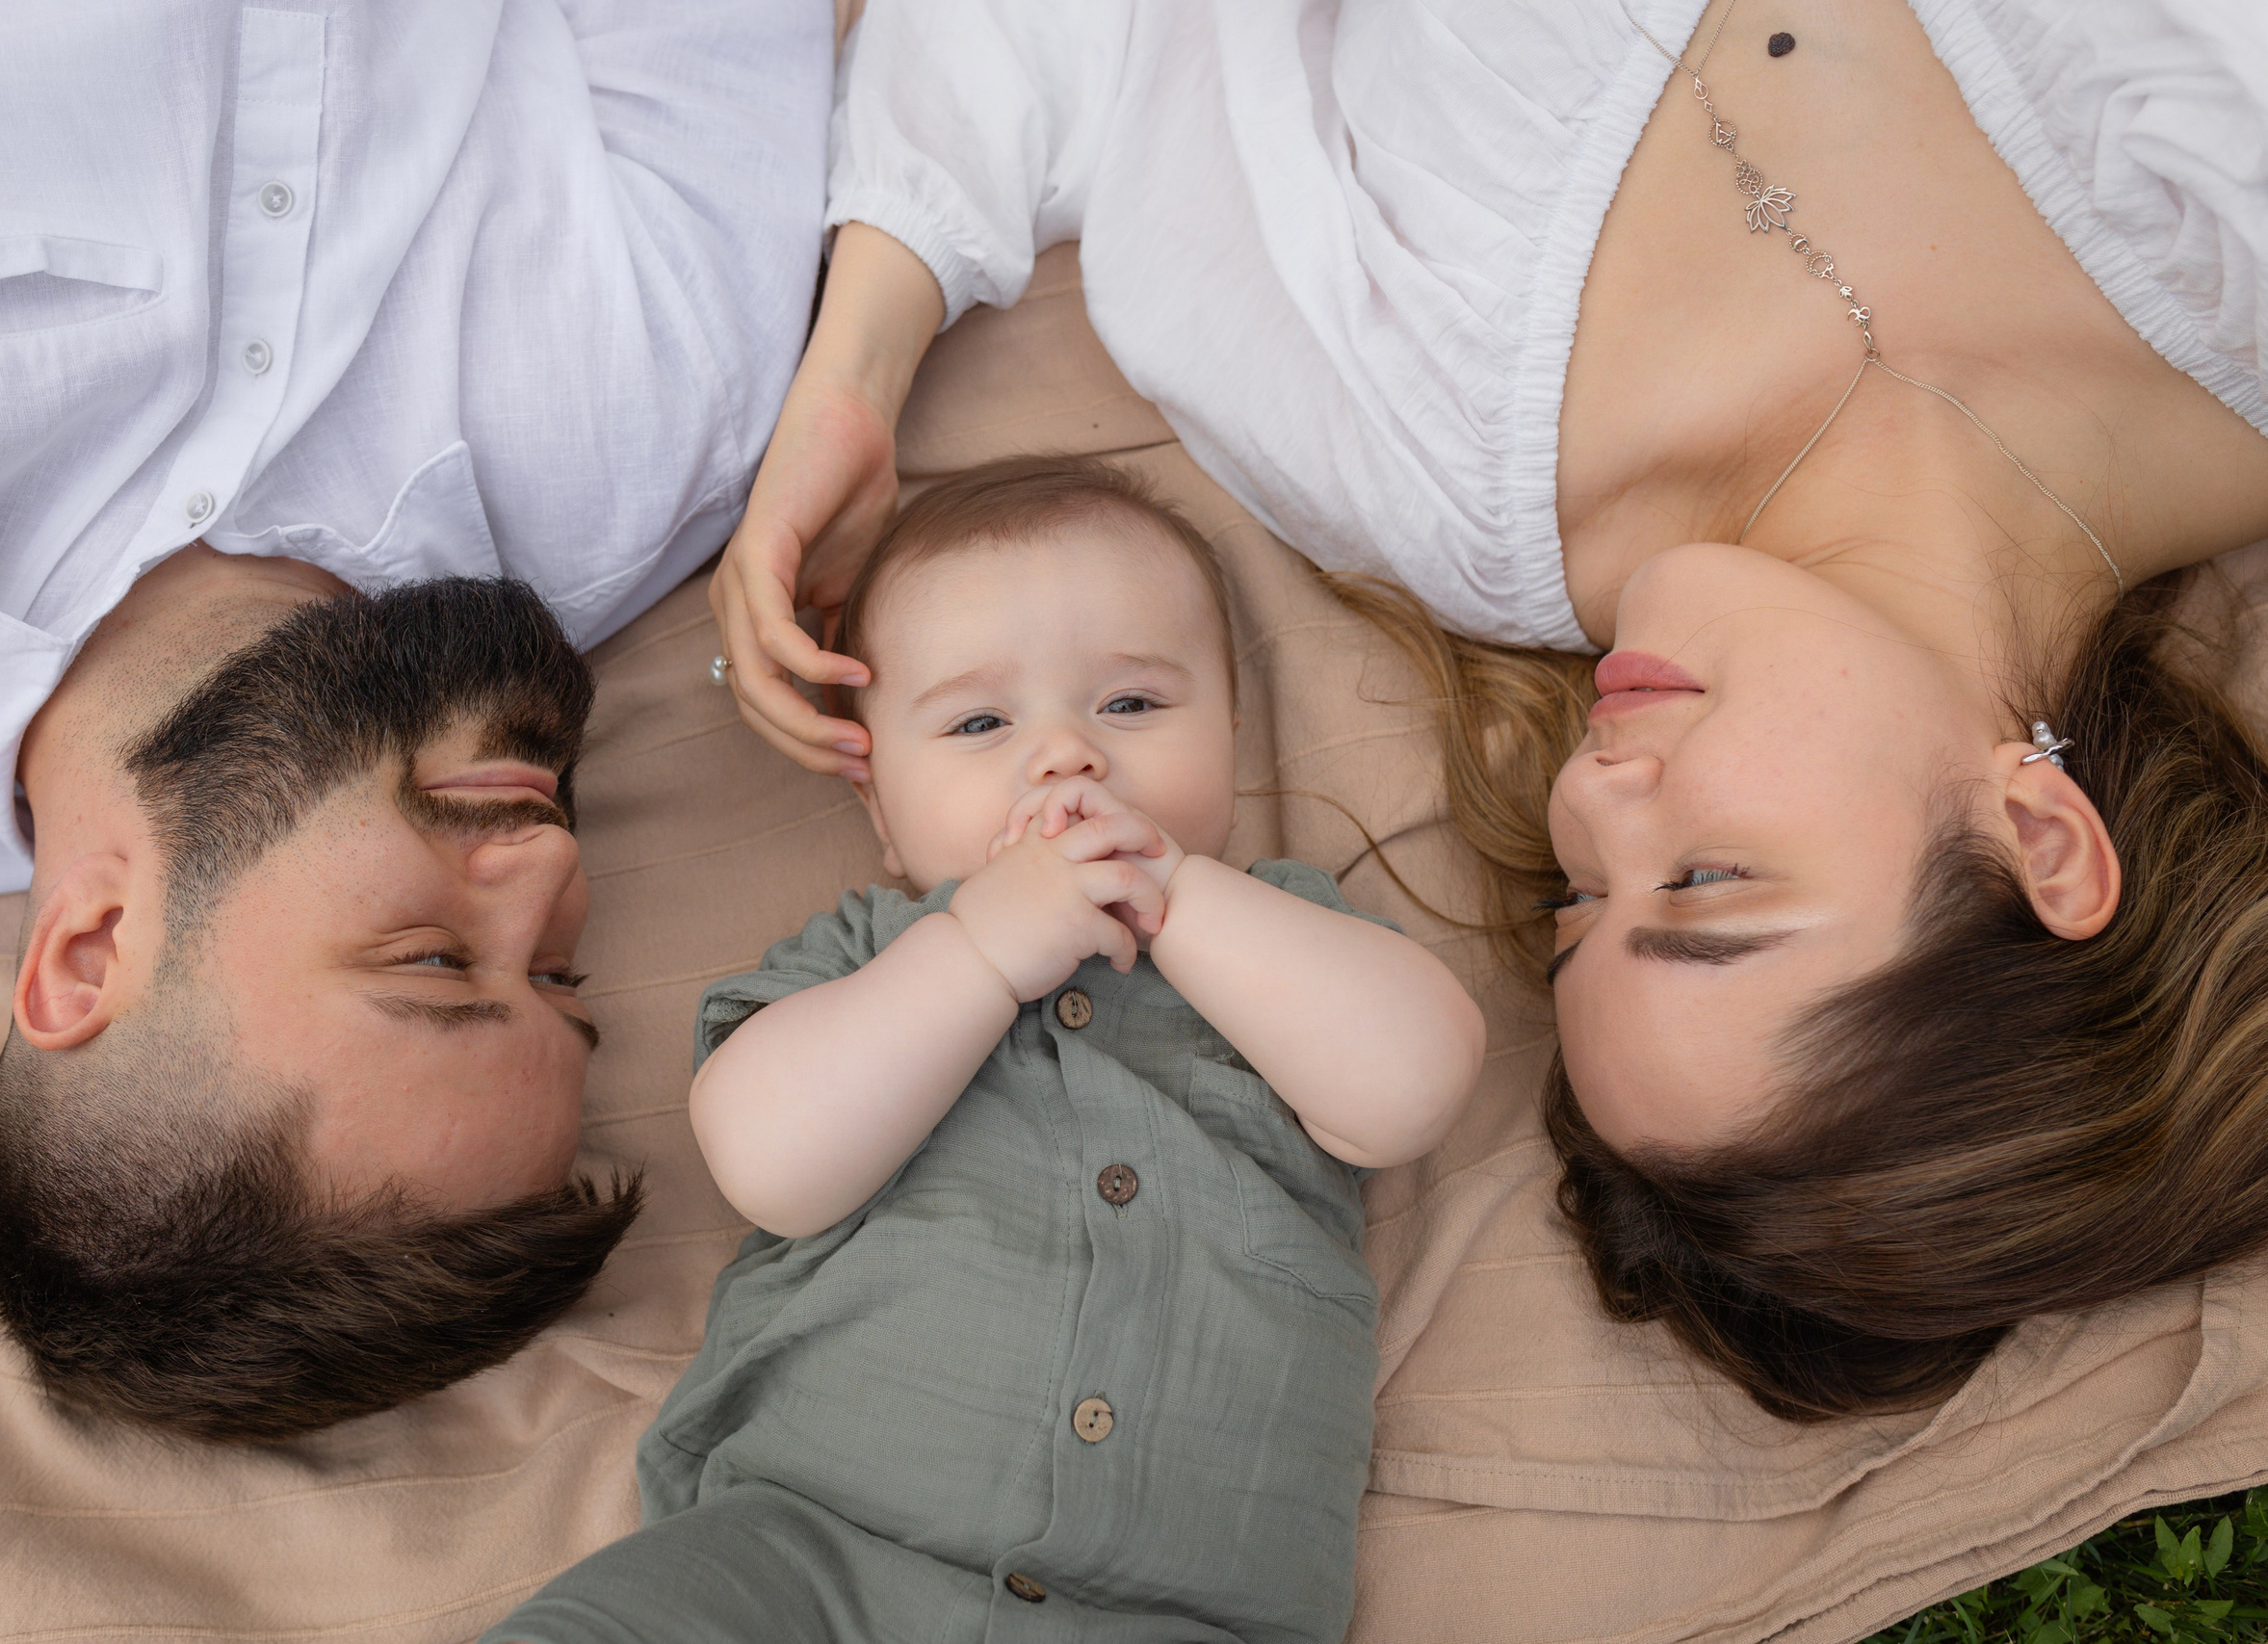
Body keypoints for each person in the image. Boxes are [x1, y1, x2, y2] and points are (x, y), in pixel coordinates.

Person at [704, 0, 2268, 1421]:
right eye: (1709, 880)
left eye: (1584, 893)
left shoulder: (1426, 460)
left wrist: (853, 368)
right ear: (2041, 832)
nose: (1591, 796)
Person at [0, 0, 831, 1440]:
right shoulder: (657, 443)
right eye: (561, 974)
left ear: (92, 949)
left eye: (433, 957)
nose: (550, 871)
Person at [484, 457, 1484, 1642]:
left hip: (1186, 1605)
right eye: (978, 722)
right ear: (881, 813)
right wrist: (974, 950)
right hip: (811, 1551)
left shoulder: (1287, 937)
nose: (1066, 756)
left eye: (1131, 706)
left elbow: (1412, 1083)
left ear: (1231, 740)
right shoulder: (863, 957)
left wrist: (1179, 896)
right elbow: (770, 1162)